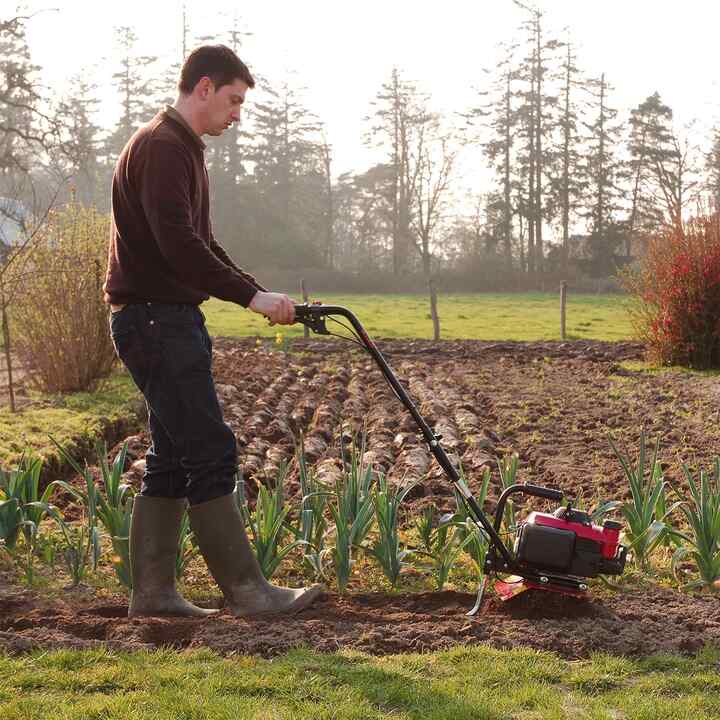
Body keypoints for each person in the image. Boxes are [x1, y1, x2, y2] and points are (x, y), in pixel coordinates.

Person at [103, 44, 322, 619]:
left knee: (173, 457)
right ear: (203, 87)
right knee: (209, 449)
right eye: (232, 100)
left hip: (165, 318)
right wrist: (252, 296)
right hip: (154, 319)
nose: (237, 113)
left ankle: (153, 594)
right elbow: (179, 244)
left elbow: (201, 243)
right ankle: (249, 593)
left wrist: (261, 293)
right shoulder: (161, 148)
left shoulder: (182, 150)